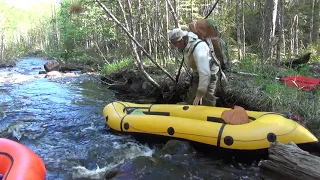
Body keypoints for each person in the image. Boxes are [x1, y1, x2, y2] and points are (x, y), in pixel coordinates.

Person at [168, 28, 221, 106]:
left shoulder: (199, 48)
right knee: (191, 100)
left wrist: (200, 94)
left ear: (182, 40)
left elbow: (205, 74)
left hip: (210, 74)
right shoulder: (186, 46)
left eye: (176, 44)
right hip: (197, 73)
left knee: (206, 102)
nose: (176, 47)